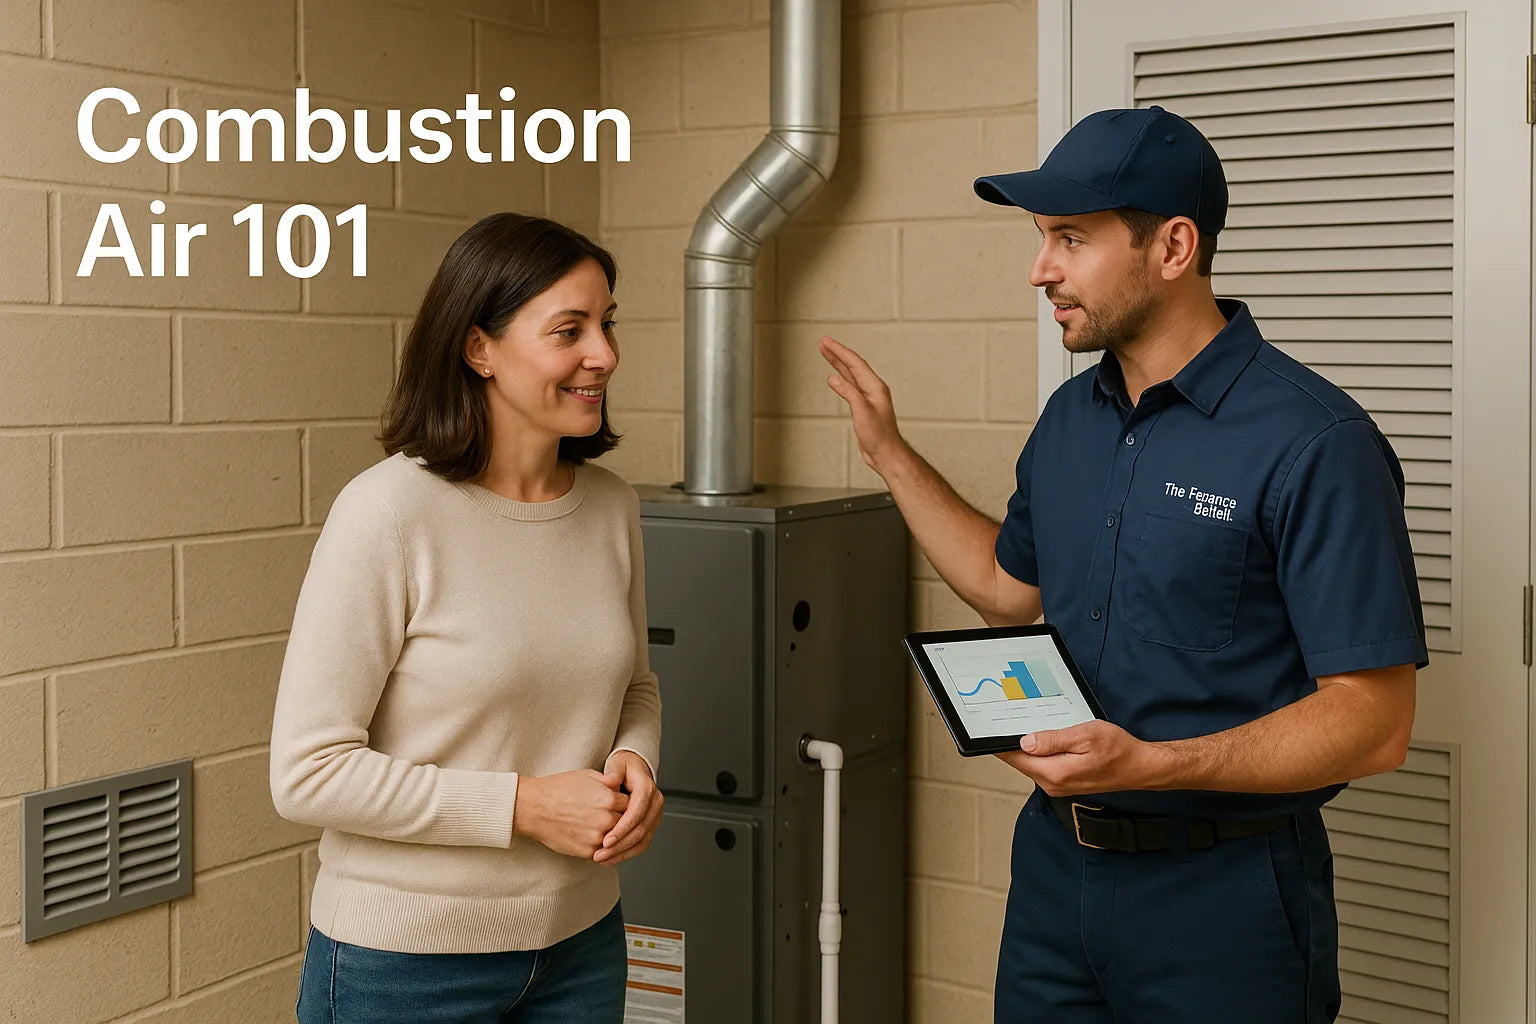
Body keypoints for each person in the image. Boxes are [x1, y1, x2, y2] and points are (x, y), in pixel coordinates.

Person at [820, 106, 1425, 1023]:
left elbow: (1374, 723)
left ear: (1174, 246)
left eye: (1070, 238)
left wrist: (1150, 764)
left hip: (1226, 902)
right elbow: (1004, 588)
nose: (1041, 270)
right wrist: (890, 456)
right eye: (1040, 239)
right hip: (1055, 882)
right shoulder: (1071, 420)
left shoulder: (1317, 441)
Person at [269, 212, 664, 1024]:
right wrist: (524, 806)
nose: (606, 355)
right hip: (403, 965)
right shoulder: (387, 513)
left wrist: (634, 761)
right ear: (478, 348)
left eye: (607, 323)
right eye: (570, 330)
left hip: (582, 943)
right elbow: (307, 772)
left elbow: (635, 686)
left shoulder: (610, 508)